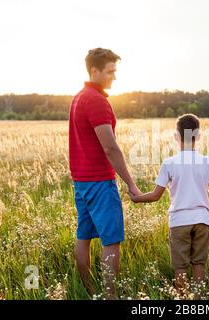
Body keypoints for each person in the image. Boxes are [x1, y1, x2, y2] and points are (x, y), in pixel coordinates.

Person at [129, 114, 209, 294]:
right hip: (202, 220)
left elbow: (155, 196)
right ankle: (197, 299)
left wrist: (136, 198)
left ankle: (183, 300)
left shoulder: (169, 163)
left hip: (179, 221)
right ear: (198, 136)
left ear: (176, 136)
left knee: (180, 266)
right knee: (199, 263)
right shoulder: (207, 162)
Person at [69, 48, 141, 299]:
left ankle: (88, 290)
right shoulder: (96, 101)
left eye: (114, 71)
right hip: (99, 179)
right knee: (111, 240)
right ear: (94, 71)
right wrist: (131, 184)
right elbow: (110, 147)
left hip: (81, 181)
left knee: (84, 235)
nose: (114, 77)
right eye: (110, 71)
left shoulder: (79, 97)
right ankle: (110, 295)